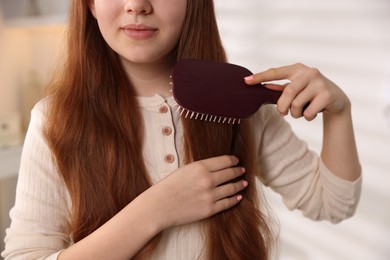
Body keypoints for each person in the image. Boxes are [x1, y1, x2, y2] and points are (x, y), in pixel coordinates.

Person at [2, 0, 362, 259]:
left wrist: (338, 112)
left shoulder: (239, 105)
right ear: (91, 5)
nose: (137, 5)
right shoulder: (55, 120)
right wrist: (155, 210)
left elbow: (332, 202)